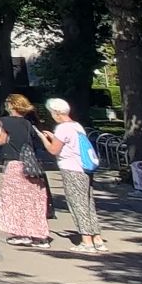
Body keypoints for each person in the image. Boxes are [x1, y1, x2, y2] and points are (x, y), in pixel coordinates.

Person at [0, 93, 58, 249]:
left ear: (11, 105)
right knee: (33, 201)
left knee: (15, 200)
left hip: (14, 164)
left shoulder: (3, 122)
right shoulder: (29, 124)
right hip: (32, 166)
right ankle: (40, 236)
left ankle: (22, 234)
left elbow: (0, 141)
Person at [46, 98, 104, 253]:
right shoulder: (76, 126)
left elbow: (53, 150)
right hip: (84, 168)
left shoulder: (62, 128)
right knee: (88, 203)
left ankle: (86, 241)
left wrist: (44, 139)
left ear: (57, 113)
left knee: (77, 204)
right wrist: (53, 137)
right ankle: (97, 239)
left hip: (71, 169)